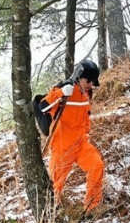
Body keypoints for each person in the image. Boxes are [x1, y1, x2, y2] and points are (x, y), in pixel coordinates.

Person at [39, 60, 105, 212]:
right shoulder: (64, 89)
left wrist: (87, 131)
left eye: (93, 81)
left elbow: (85, 116)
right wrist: (61, 93)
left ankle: (91, 207)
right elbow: (43, 107)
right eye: (88, 80)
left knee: (97, 165)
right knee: (55, 185)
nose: (90, 84)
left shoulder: (87, 93)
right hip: (62, 146)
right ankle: (51, 214)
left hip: (81, 143)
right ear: (79, 77)